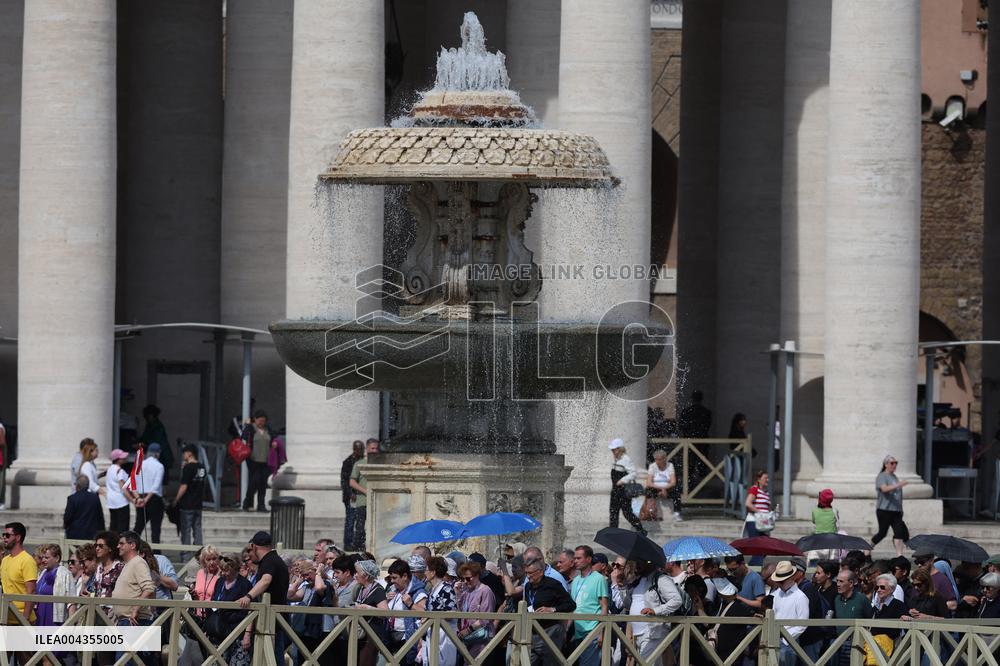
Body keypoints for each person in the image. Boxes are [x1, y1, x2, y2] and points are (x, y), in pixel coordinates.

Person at [238, 531, 290, 664]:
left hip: (271, 622)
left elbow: (266, 580)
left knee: (273, 659)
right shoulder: (276, 560)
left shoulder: (269, 561)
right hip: (275, 620)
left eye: (250, 549)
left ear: (254, 547)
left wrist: (248, 596)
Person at [111, 531, 156, 664]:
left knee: (124, 662)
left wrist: (136, 608)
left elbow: (149, 587)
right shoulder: (129, 564)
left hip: (134, 623)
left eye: (122, 543)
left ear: (132, 545)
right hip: (125, 623)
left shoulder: (138, 562)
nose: (118, 546)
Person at [523, 558, 575, 666]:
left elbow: (571, 605)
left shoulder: (553, 584)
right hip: (533, 631)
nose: (528, 576)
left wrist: (552, 609)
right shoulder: (528, 586)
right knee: (528, 662)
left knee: (550, 663)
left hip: (551, 631)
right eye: (526, 573)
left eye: (531, 573)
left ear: (540, 572)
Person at [630, 559, 683, 663]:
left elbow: (677, 600)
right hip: (637, 634)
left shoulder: (661, 579)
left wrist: (655, 610)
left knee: (644, 663)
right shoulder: (638, 580)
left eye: (641, 561)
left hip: (653, 632)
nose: (637, 564)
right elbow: (628, 604)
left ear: (650, 562)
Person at [210, 554, 253, 666]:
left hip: (237, 631)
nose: (223, 573)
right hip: (218, 631)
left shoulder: (245, 585)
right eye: (222, 570)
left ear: (235, 569)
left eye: (226, 570)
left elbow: (252, 611)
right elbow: (212, 602)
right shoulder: (220, 582)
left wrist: (247, 634)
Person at [570, 546, 609, 666]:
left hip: (592, 630)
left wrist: (601, 632)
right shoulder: (575, 580)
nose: (575, 561)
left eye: (578, 558)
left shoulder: (599, 579)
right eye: (574, 558)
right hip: (577, 630)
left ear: (588, 559)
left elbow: (604, 606)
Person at [386, 558, 428, 664]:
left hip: (408, 640)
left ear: (405, 576)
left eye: (394, 578)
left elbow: (426, 613)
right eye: (391, 578)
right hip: (392, 638)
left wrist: (411, 604)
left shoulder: (418, 592)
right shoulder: (394, 591)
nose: (392, 581)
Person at [324, 555, 361, 666]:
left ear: (347, 572)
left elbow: (341, 607)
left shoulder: (356, 587)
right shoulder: (336, 585)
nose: (335, 575)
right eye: (334, 572)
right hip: (333, 632)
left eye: (337, 572)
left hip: (347, 634)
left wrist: (334, 595)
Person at [770, 561, 809, 666]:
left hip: (790, 643)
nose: (779, 584)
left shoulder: (800, 597)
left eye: (781, 581)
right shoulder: (777, 594)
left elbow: (803, 624)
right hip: (775, 639)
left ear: (791, 578)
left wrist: (785, 638)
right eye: (778, 581)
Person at [421, 555, 458, 666]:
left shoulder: (446, 589)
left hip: (444, 636)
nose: (424, 573)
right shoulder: (432, 590)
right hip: (432, 635)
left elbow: (452, 612)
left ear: (433, 572)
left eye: (426, 570)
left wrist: (431, 616)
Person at [456, 560, 496, 660]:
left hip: (481, 639)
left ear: (477, 575)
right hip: (468, 639)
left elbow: (486, 618)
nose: (465, 581)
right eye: (463, 578)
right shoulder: (467, 592)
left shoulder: (485, 591)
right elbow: (461, 612)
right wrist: (458, 594)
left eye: (468, 578)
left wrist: (468, 630)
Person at [871, 455, 909, 556]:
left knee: (899, 533)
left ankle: (899, 555)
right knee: (882, 533)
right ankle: (867, 550)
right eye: (892, 463)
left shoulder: (894, 477)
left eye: (896, 463)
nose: (894, 465)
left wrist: (901, 509)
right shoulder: (882, 476)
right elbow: (884, 489)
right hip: (884, 510)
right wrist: (899, 484)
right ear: (886, 464)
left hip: (896, 511)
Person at [353, 559, 389, 666]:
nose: (355, 575)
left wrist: (368, 608)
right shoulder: (360, 588)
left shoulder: (378, 590)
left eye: (358, 573)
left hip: (372, 635)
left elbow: (385, 612)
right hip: (361, 634)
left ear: (366, 576)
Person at [1, 522, 37, 624]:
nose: (4, 538)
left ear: (17, 537)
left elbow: (31, 592)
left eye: (7, 535)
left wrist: (24, 619)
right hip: (6, 617)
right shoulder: (5, 560)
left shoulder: (27, 560)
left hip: (21, 619)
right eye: (3, 535)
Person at [608, 438, 646, 535]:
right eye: (612, 450)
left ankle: (640, 529)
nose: (613, 452)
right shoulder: (616, 459)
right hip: (615, 490)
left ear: (620, 449)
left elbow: (633, 473)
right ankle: (613, 532)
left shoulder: (626, 459)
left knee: (627, 512)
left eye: (614, 449)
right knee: (613, 512)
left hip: (623, 491)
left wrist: (622, 480)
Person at [175, 443, 206, 558]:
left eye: (184, 453)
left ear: (189, 453)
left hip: (187, 504)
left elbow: (184, 486)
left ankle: (186, 554)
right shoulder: (202, 467)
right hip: (198, 504)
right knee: (197, 529)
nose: (183, 455)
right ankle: (200, 554)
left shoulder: (188, 468)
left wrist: (176, 499)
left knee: (186, 530)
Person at [241, 410, 276, 512]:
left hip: (265, 460)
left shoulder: (268, 429)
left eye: (263, 421)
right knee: (254, 481)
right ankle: (247, 502)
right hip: (253, 460)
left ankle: (261, 504)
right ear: (255, 419)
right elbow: (242, 437)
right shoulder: (251, 428)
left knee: (263, 483)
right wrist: (247, 425)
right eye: (260, 421)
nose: (261, 423)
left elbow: (273, 438)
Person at [348, 438, 380, 551]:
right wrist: (366, 491)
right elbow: (352, 482)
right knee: (360, 528)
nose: (374, 451)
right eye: (372, 448)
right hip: (363, 502)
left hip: (378, 502)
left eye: (376, 448)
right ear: (367, 449)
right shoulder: (359, 464)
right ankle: (357, 550)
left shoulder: (381, 463)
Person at [132, 442, 165, 543]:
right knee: (155, 530)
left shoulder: (140, 464)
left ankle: (131, 548)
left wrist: (138, 498)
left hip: (141, 496)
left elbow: (134, 484)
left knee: (138, 527)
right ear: (157, 453)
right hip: (154, 498)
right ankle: (156, 553)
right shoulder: (159, 466)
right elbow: (156, 486)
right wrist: (146, 500)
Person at [36, 544, 74, 628]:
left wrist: (71, 625)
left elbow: (71, 601)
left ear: (57, 558)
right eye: (42, 558)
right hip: (40, 615)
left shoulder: (65, 573)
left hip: (54, 619)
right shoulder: (43, 573)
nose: (43, 560)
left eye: (47, 558)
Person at [743, 470, 772, 564]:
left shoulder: (766, 492)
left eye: (768, 478)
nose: (767, 480)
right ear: (759, 479)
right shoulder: (755, 489)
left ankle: (753, 567)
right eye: (765, 478)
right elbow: (748, 503)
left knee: (766, 547)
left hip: (764, 523)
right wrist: (760, 513)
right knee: (758, 549)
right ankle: (754, 569)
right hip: (754, 521)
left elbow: (767, 508)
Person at [64, 475, 105, 539]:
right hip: (92, 534)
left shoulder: (72, 498)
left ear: (78, 485)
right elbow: (100, 517)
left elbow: (67, 518)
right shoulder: (95, 498)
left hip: (75, 535)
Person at [646, 448, 683, 522]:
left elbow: (673, 482)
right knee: (648, 491)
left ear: (664, 459)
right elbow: (649, 483)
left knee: (677, 492)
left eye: (659, 459)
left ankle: (677, 513)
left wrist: (664, 489)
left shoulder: (670, 465)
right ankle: (651, 512)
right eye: (656, 459)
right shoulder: (652, 466)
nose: (657, 461)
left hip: (667, 487)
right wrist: (661, 489)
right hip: (656, 487)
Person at [341, 440, 364, 550]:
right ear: (354, 449)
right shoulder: (348, 462)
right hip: (351, 497)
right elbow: (344, 481)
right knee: (350, 521)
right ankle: (348, 543)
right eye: (358, 449)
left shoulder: (363, 461)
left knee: (359, 522)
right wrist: (350, 494)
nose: (360, 451)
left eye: (361, 449)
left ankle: (358, 543)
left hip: (360, 496)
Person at [106, 448, 135, 534]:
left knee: (113, 526)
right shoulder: (120, 471)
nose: (125, 459)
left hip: (111, 502)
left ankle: (112, 545)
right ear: (118, 460)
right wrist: (132, 500)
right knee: (122, 529)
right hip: (121, 502)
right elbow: (123, 488)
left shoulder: (110, 469)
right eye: (122, 458)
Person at [138, 404, 173, 472]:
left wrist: (143, 444)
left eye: (146, 417)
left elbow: (155, 441)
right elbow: (145, 437)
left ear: (151, 415)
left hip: (162, 456)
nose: (146, 419)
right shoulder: (149, 425)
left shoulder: (157, 426)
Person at [191, 546, 222, 616]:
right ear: (203, 561)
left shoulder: (221, 574)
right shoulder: (200, 573)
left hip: (213, 615)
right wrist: (193, 593)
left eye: (214, 559)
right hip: (198, 615)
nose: (212, 562)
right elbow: (198, 594)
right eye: (208, 559)